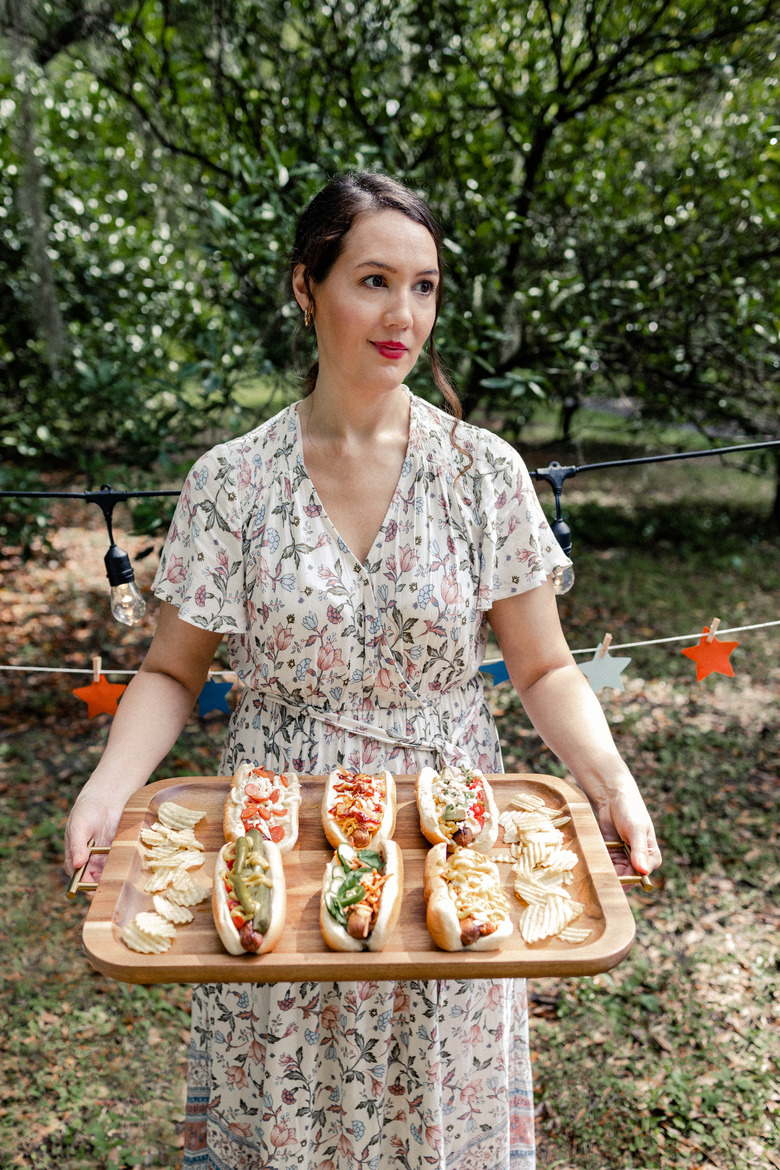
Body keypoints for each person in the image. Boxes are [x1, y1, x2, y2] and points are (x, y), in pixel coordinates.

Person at [65, 170, 661, 1169]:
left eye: (424, 287)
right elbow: (170, 673)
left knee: (434, 1118)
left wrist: (611, 781)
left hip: (448, 840)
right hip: (275, 839)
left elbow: (546, 665)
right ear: (307, 287)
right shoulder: (231, 481)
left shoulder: (483, 473)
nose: (403, 316)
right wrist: (106, 788)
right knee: (288, 1118)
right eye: (374, 281)